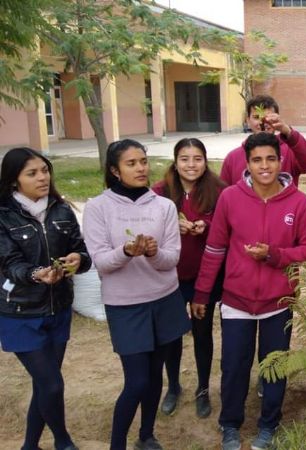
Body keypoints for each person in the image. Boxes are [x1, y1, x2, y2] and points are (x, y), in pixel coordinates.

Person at [192, 132, 306, 450]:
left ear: (281, 161)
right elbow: (215, 248)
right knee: (234, 365)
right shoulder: (230, 198)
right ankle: (230, 425)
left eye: (271, 159)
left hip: (278, 302)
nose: (265, 166)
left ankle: (268, 425)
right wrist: (201, 293)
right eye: (257, 160)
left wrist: (274, 255)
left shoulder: (298, 202)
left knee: (274, 366)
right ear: (246, 163)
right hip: (236, 299)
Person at [83, 139, 190, 450]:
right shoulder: (98, 208)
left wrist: (154, 253)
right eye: (131, 163)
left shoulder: (164, 206)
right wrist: (128, 251)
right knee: (137, 381)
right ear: (115, 171)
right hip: (125, 305)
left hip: (164, 299)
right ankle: (117, 444)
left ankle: (146, 435)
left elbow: (172, 260)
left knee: (155, 375)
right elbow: (101, 262)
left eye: (143, 161)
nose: (141, 168)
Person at [0, 148, 91, 450]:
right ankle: (63, 442)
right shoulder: (3, 215)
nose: (42, 177)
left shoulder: (62, 210)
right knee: (52, 384)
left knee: (45, 385)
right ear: (14, 181)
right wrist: (38, 274)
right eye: (32, 173)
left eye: (44, 170)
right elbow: (9, 263)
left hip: (58, 309)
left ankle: (29, 446)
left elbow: (83, 250)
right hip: (21, 313)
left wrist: (79, 258)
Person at [152, 138, 227, 418]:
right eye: (184, 159)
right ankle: (173, 387)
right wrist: (173, 225)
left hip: (205, 277)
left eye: (197, 158)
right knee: (171, 336)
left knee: (202, 332)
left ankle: (203, 388)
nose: (191, 165)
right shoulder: (159, 192)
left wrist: (203, 225)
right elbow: (149, 227)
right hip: (170, 276)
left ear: (205, 161)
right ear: (175, 160)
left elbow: (225, 226)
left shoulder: (219, 191)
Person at [220, 94, 306, 186]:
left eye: (269, 117)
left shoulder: (289, 151)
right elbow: (223, 195)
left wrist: (288, 132)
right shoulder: (233, 158)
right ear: (247, 120)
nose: (262, 122)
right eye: (256, 117)